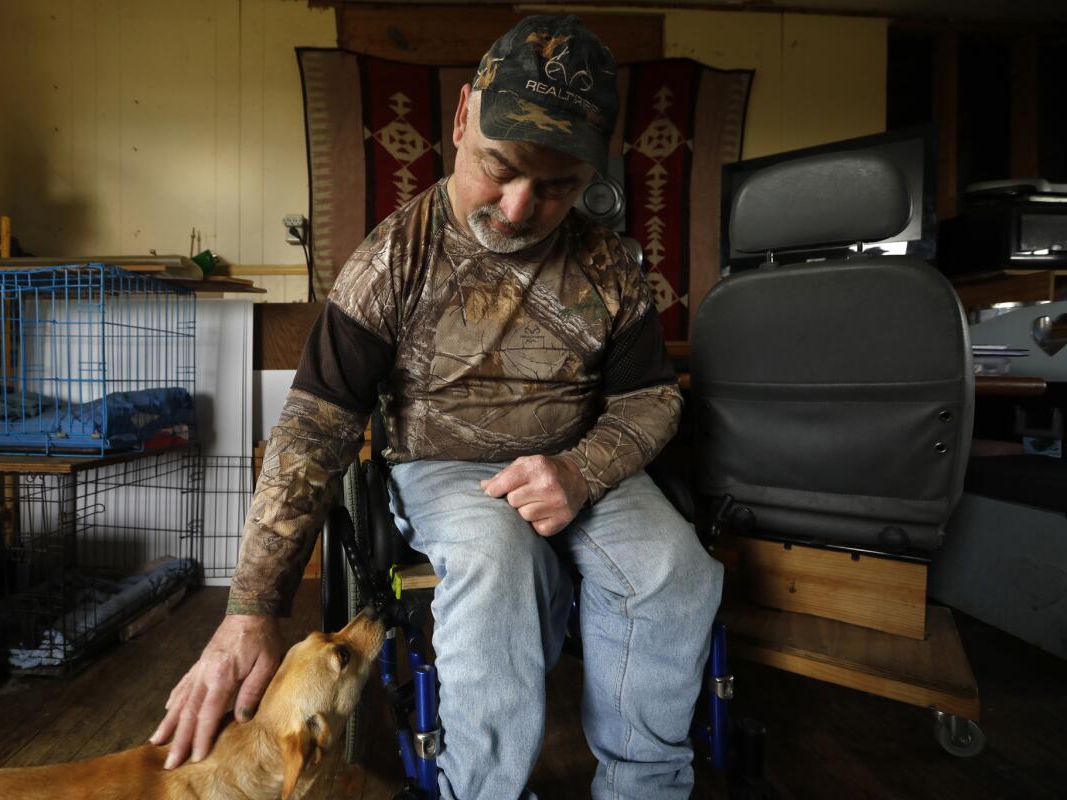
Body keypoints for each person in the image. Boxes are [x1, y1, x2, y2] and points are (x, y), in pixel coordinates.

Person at [151, 14, 723, 799]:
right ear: (462, 121)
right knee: (496, 561)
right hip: (446, 470)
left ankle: (644, 788)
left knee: (676, 569)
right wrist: (251, 610)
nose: (519, 208)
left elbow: (653, 399)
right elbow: (312, 432)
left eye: (557, 186)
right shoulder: (388, 264)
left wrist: (584, 470)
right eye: (499, 167)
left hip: (582, 464)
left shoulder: (610, 267)